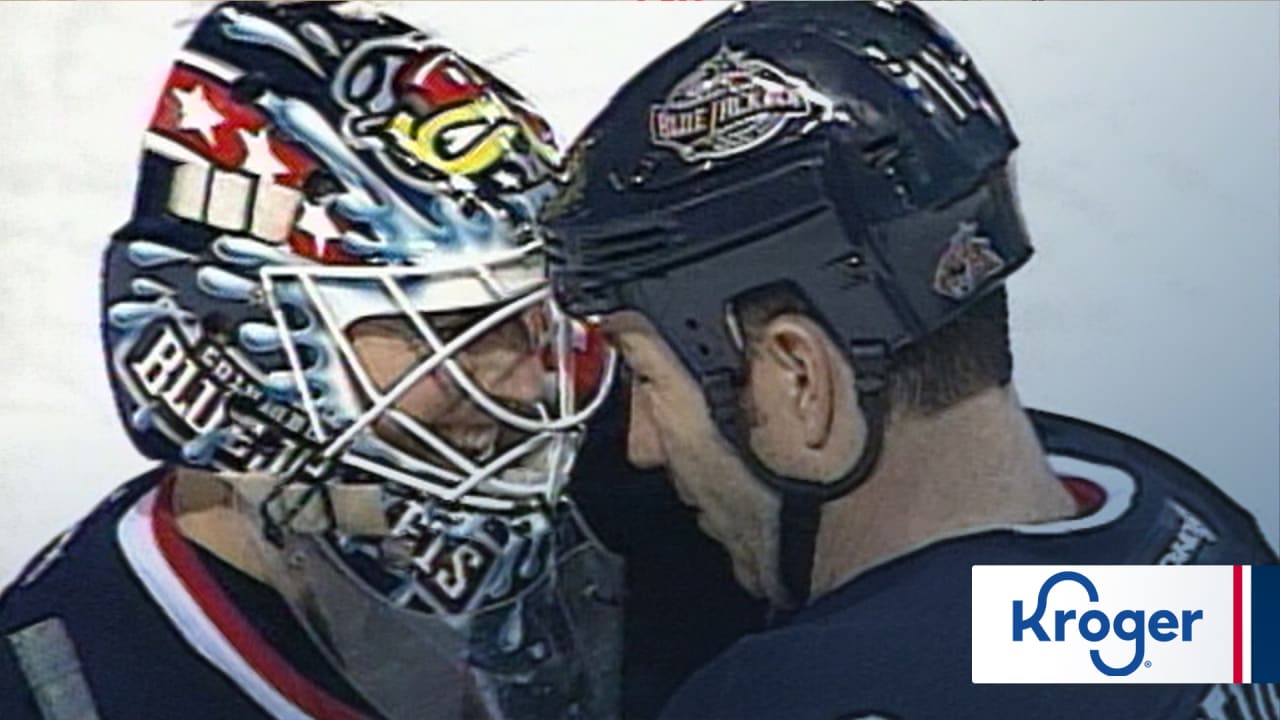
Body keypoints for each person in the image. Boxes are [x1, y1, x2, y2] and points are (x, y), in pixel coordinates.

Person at [544, 2, 1279, 719]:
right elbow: (999, 646)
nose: (639, 443)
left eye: (643, 373)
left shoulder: (806, 696)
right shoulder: (1173, 516)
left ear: (801, 379)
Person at [0, 3, 631, 718]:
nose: (532, 379)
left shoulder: (644, 514)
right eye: (452, 327)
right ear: (231, 333)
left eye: (535, 321)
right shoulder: (62, 686)